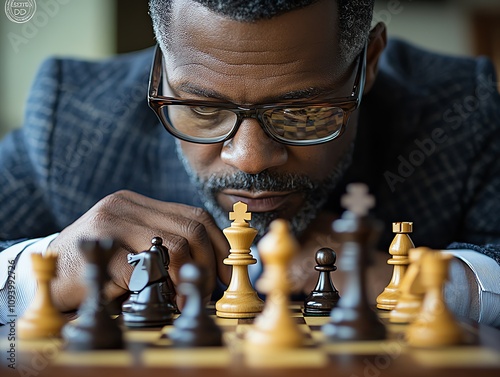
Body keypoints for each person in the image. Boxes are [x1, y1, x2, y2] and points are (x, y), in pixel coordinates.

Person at [0, 0, 499, 327]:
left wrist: (419, 281)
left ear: (367, 64)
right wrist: (45, 266)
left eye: (302, 110)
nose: (251, 157)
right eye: (203, 108)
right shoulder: (71, 117)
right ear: (164, 66)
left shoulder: (459, 111)